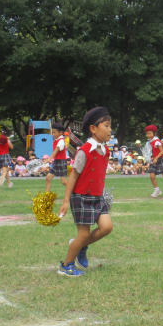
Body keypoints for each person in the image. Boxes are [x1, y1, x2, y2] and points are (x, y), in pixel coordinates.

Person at [58, 107, 113, 277]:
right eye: (106, 125)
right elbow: (73, 177)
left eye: (111, 126)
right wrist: (66, 201)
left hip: (98, 197)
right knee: (83, 234)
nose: (110, 129)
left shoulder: (105, 151)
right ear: (93, 129)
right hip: (81, 197)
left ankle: (80, 246)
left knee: (107, 227)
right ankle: (66, 265)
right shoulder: (84, 151)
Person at [45, 123, 69, 192]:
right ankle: (47, 195)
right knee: (48, 178)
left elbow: (56, 150)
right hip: (56, 162)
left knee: (64, 181)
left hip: (61, 162)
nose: (52, 134)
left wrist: (49, 159)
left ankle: (76, 190)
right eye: (52, 132)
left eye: (54, 132)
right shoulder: (55, 140)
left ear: (60, 132)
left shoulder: (61, 140)